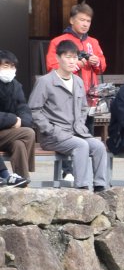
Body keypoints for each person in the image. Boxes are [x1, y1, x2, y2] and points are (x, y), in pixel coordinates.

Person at [28, 42, 110, 191]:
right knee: (82, 145)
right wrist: (51, 129)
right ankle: (82, 187)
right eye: (68, 57)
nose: (72, 61)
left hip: (77, 133)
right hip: (53, 136)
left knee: (98, 146)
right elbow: (34, 110)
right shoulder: (45, 82)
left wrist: (80, 124)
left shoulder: (78, 81)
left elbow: (84, 107)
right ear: (58, 58)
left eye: (75, 57)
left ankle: (100, 186)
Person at [46, 4, 108, 94]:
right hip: (66, 92)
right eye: (82, 20)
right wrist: (77, 64)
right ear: (71, 20)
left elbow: (102, 66)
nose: (85, 24)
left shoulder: (93, 42)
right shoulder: (57, 41)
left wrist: (96, 62)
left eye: (88, 21)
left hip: (91, 93)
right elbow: (52, 68)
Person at [0, 50, 36, 186]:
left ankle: (22, 181)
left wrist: (22, 121)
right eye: (5, 66)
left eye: (12, 66)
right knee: (28, 133)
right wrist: (12, 120)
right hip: (6, 129)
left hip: (8, 133)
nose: (10, 70)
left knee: (19, 144)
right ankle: (20, 173)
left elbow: (23, 108)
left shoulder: (16, 86)